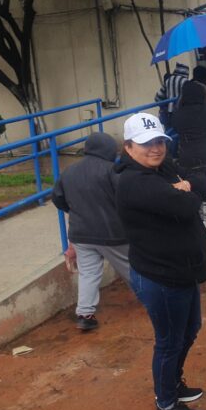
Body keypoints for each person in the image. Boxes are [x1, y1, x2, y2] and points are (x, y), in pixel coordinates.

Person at [115, 112, 206, 410]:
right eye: (146, 144)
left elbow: (204, 180)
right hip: (161, 278)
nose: (155, 148)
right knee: (169, 341)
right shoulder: (134, 181)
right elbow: (186, 206)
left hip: (180, 272)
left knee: (190, 330)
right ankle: (166, 406)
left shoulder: (162, 168)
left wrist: (187, 186)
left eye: (159, 141)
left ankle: (174, 384)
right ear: (128, 147)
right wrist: (186, 190)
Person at [51, 132, 130, 331]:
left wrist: (76, 210)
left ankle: (85, 314)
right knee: (132, 267)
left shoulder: (69, 171)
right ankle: (154, 300)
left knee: (88, 274)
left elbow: (57, 199)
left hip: (80, 233)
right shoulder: (112, 170)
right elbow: (126, 198)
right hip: (112, 232)